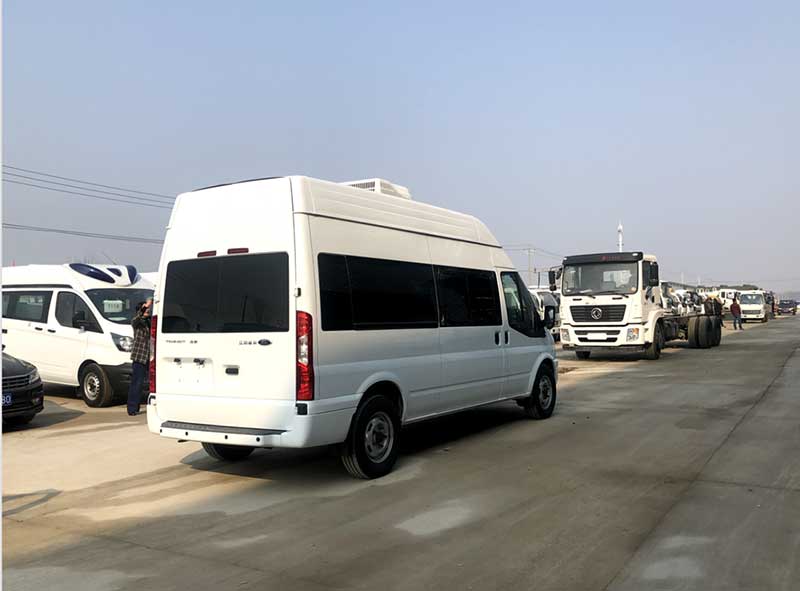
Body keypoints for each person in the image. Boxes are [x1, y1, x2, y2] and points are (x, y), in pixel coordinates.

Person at [128, 298, 152, 416]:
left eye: (148, 309)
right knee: (137, 383)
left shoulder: (149, 322)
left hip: (149, 356)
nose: (147, 311)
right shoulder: (136, 322)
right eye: (145, 309)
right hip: (139, 356)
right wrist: (145, 306)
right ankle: (132, 408)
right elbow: (137, 318)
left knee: (149, 382)